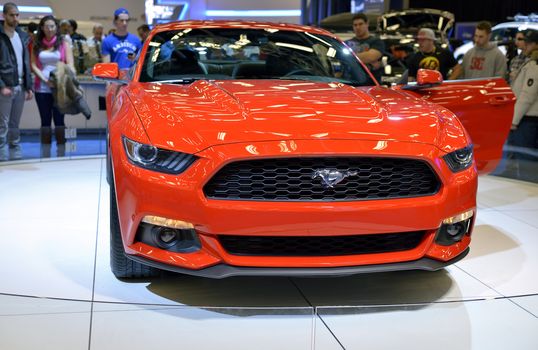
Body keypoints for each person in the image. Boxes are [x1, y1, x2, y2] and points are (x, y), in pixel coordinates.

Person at [30, 15, 74, 157]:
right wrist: (45, 80)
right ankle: (46, 154)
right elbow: (33, 64)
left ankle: (62, 153)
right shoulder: (36, 43)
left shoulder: (63, 42)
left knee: (60, 120)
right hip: (41, 87)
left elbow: (70, 64)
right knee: (45, 120)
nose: (50, 29)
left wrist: (61, 78)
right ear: (42, 28)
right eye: (47, 26)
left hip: (60, 87)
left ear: (56, 27)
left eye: (52, 26)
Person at [0, 3, 33, 161]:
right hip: (5, 87)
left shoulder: (22, 36)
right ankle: (2, 156)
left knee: (14, 123)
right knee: (3, 124)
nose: (15, 18)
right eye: (12, 15)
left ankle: (14, 153)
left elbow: (26, 62)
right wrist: (1, 85)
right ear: (3, 16)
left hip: (20, 86)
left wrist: (29, 86)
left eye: (17, 15)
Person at [510, 30, 538, 155]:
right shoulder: (530, 63)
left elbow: (527, 95)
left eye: (529, 43)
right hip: (527, 118)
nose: (525, 45)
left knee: (525, 161)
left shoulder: (534, 65)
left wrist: (514, 120)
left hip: (528, 119)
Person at [344, 13, 385, 82]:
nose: (357, 27)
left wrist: (347, 58)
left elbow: (371, 57)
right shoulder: (346, 43)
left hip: (371, 84)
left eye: (360, 24)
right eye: (355, 25)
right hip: (350, 82)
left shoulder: (376, 41)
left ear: (367, 24)